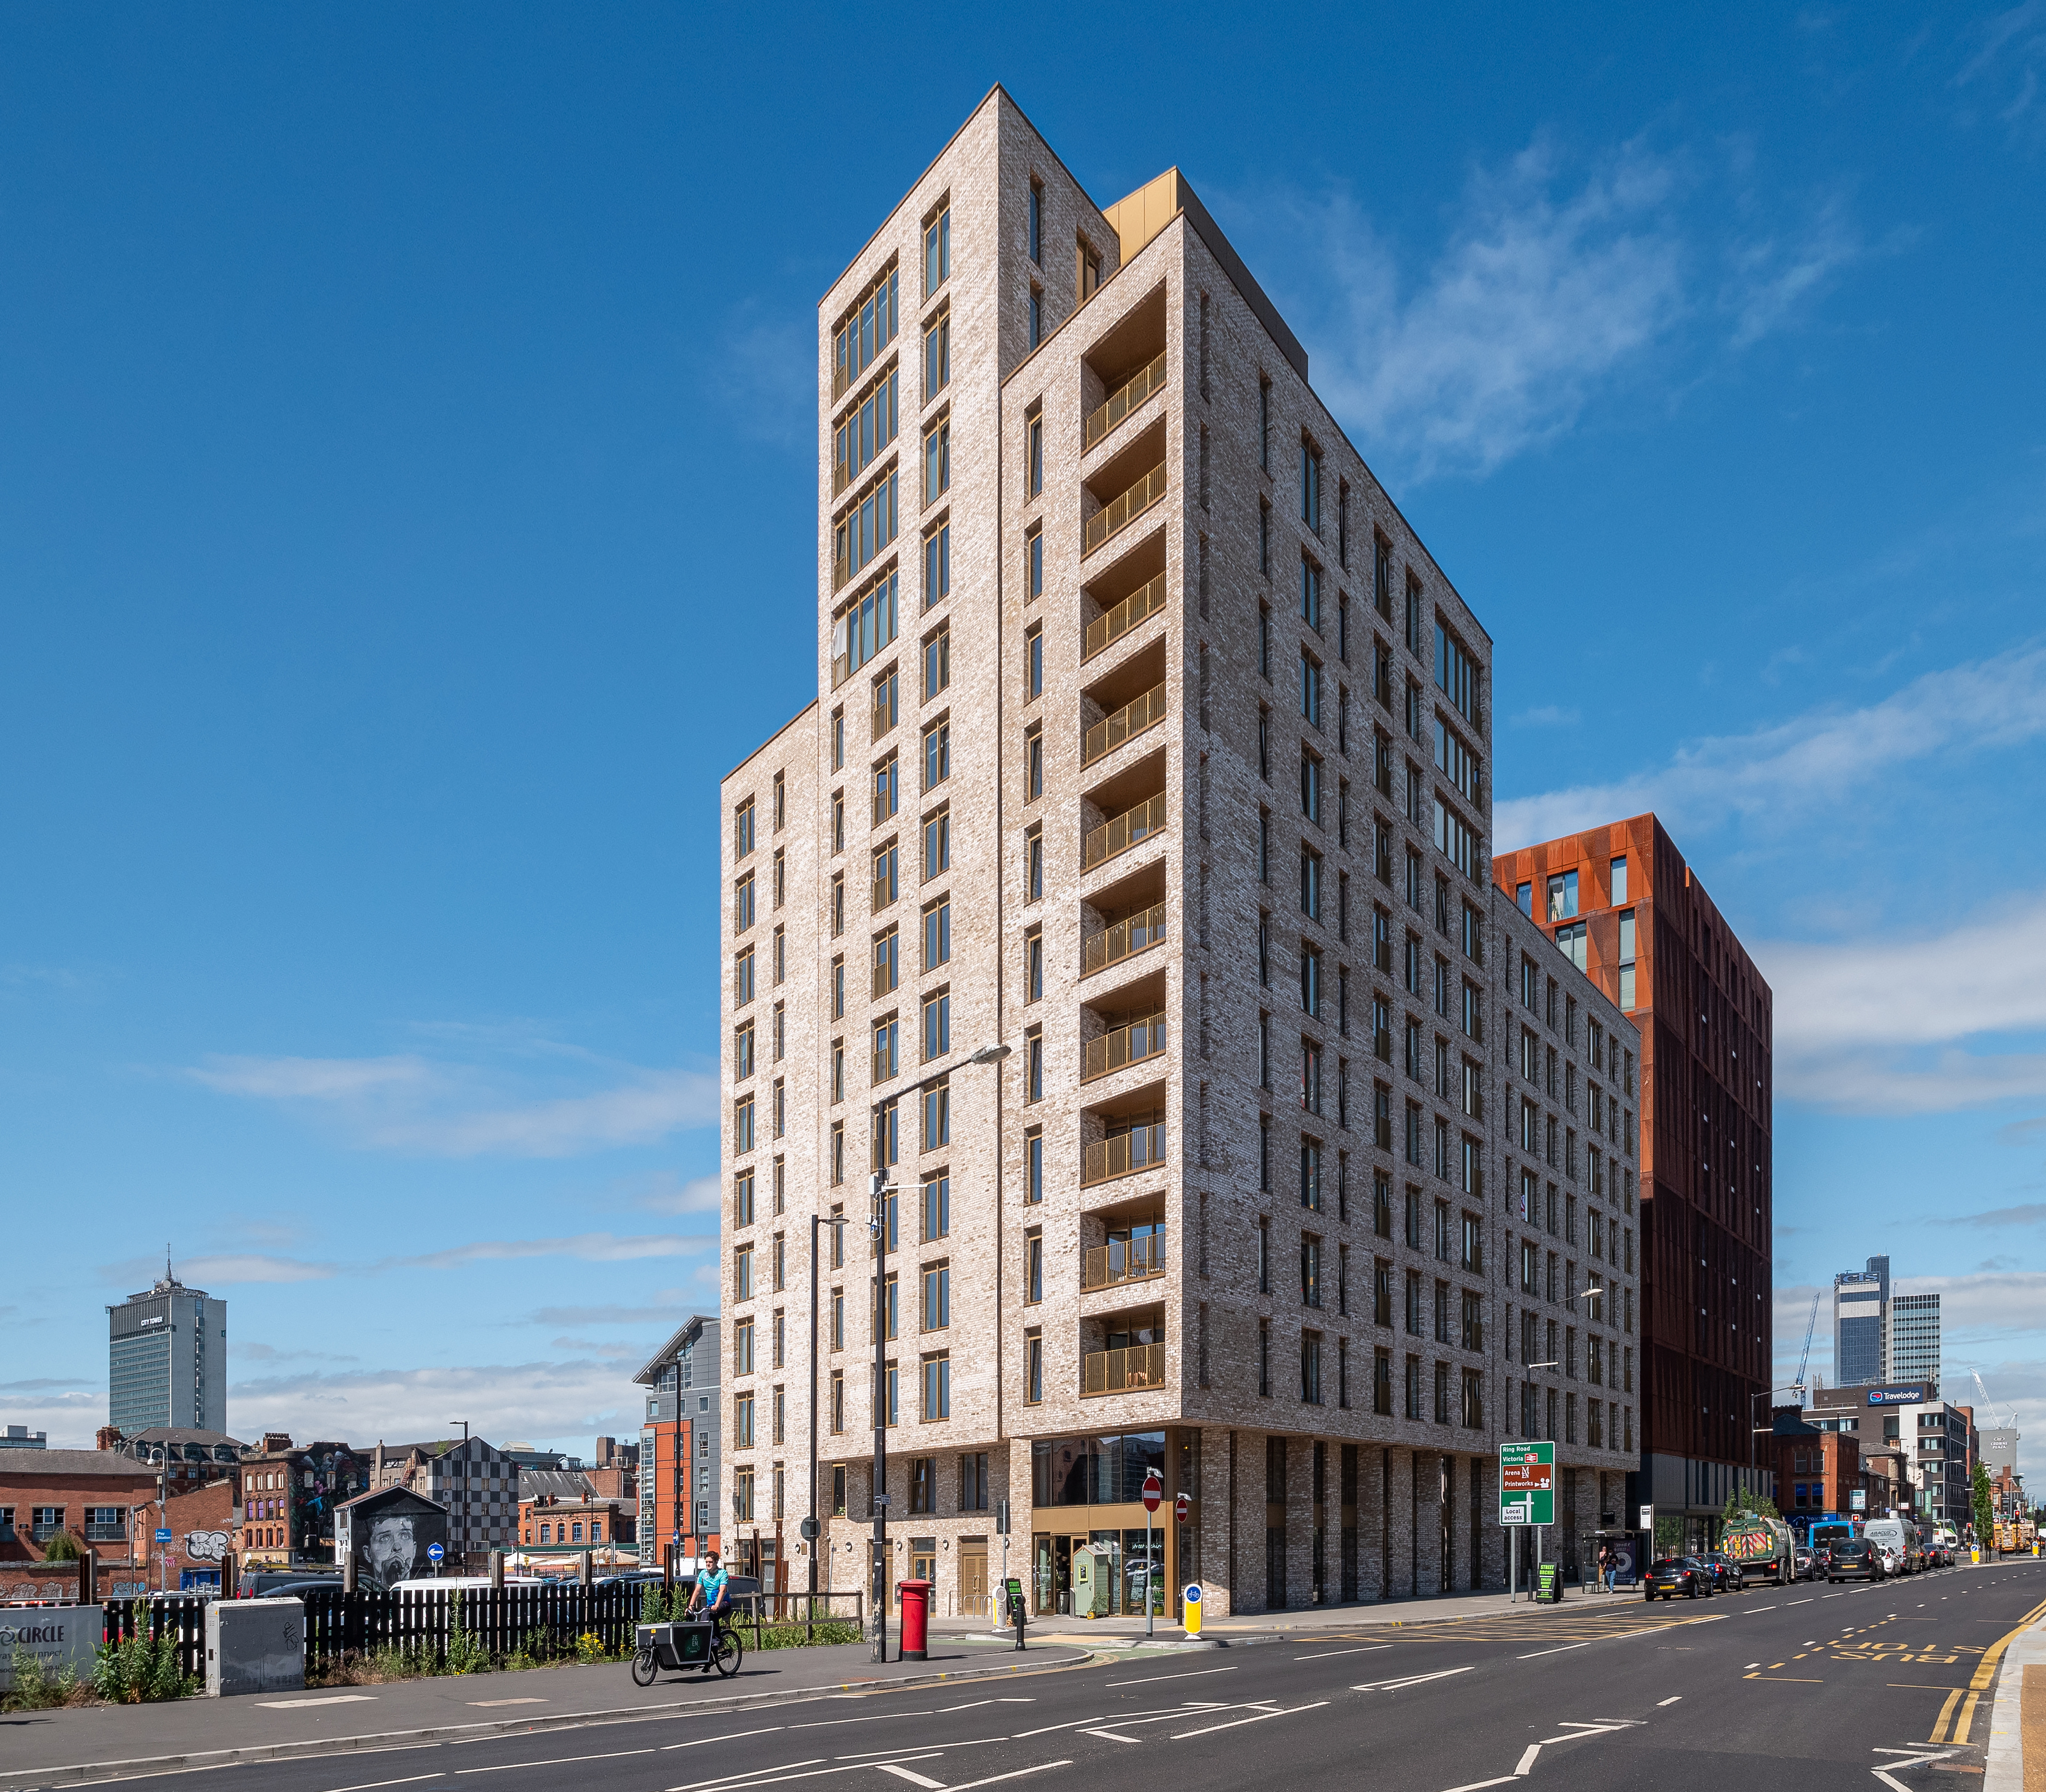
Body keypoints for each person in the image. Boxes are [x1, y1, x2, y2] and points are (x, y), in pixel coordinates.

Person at [688, 1547, 733, 1631]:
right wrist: (691, 1606)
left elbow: (722, 1591)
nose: (708, 1564)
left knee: (710, 1615)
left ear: (716, 1562)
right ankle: (710, 1638)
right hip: (710, 1606)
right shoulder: (703, 1574)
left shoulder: (722, 1573)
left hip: (724, 1603)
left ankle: (716, 1639)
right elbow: (697, 1591)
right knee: (703, 1619)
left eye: (711, 1562)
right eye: (707, 1562)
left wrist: (717, 1606)